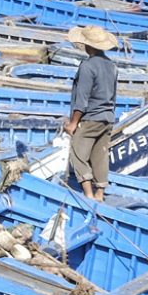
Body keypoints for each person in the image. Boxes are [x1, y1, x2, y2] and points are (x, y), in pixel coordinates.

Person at [64, 23, 118, 202]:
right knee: (100, 156)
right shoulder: (112, 66)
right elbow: (113, 94)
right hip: (107, 118)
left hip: (91, 118)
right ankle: (99, 195)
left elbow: (82, 99)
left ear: (88, 45)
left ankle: (88, 194)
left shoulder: (87, 66)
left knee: (77, 154)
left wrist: (73, 124)